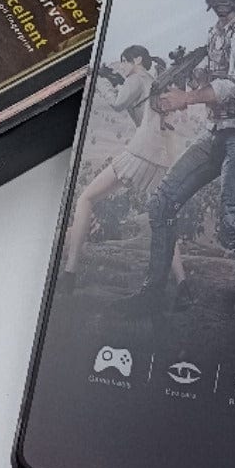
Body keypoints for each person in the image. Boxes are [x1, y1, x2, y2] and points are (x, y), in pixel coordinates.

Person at [120, 0, 235, 349]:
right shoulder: (215, 35)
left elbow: (233, 85)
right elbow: (209, 78)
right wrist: (185, 78)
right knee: (162, 203)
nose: (221, 7)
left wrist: (186, 99)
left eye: (226, 2)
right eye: (216, 2)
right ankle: (152, 294)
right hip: (218, 130)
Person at [61, 45, 192, 306]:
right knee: (163, 219)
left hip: (140, 152)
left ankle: (70, 273)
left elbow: (118, 104)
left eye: (124, 61)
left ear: (137, 59)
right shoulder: (154, 80)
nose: (121, 66)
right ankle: (183, 284)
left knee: (86, 198)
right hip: (162, 156)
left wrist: (100, 81)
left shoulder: (137, 78)